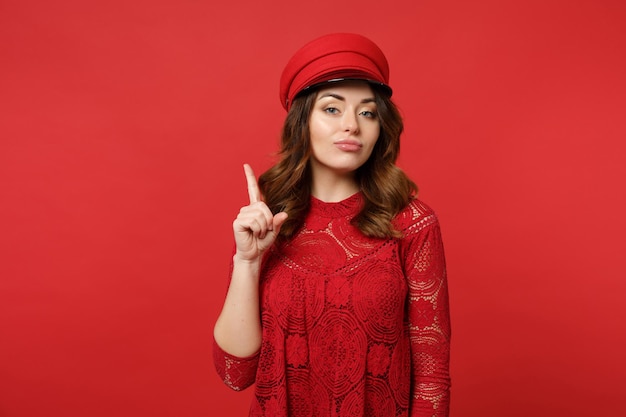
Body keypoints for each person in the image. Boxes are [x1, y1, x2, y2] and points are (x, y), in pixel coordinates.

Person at [213, 33, 451, 417]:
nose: (352, 125)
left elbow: (432, 376)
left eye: (368, 112)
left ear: (380, 128)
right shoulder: (266, 221)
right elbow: (234, 373)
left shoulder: (412, 222)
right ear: (302, 121)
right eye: (332, 108)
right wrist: (247, 263)